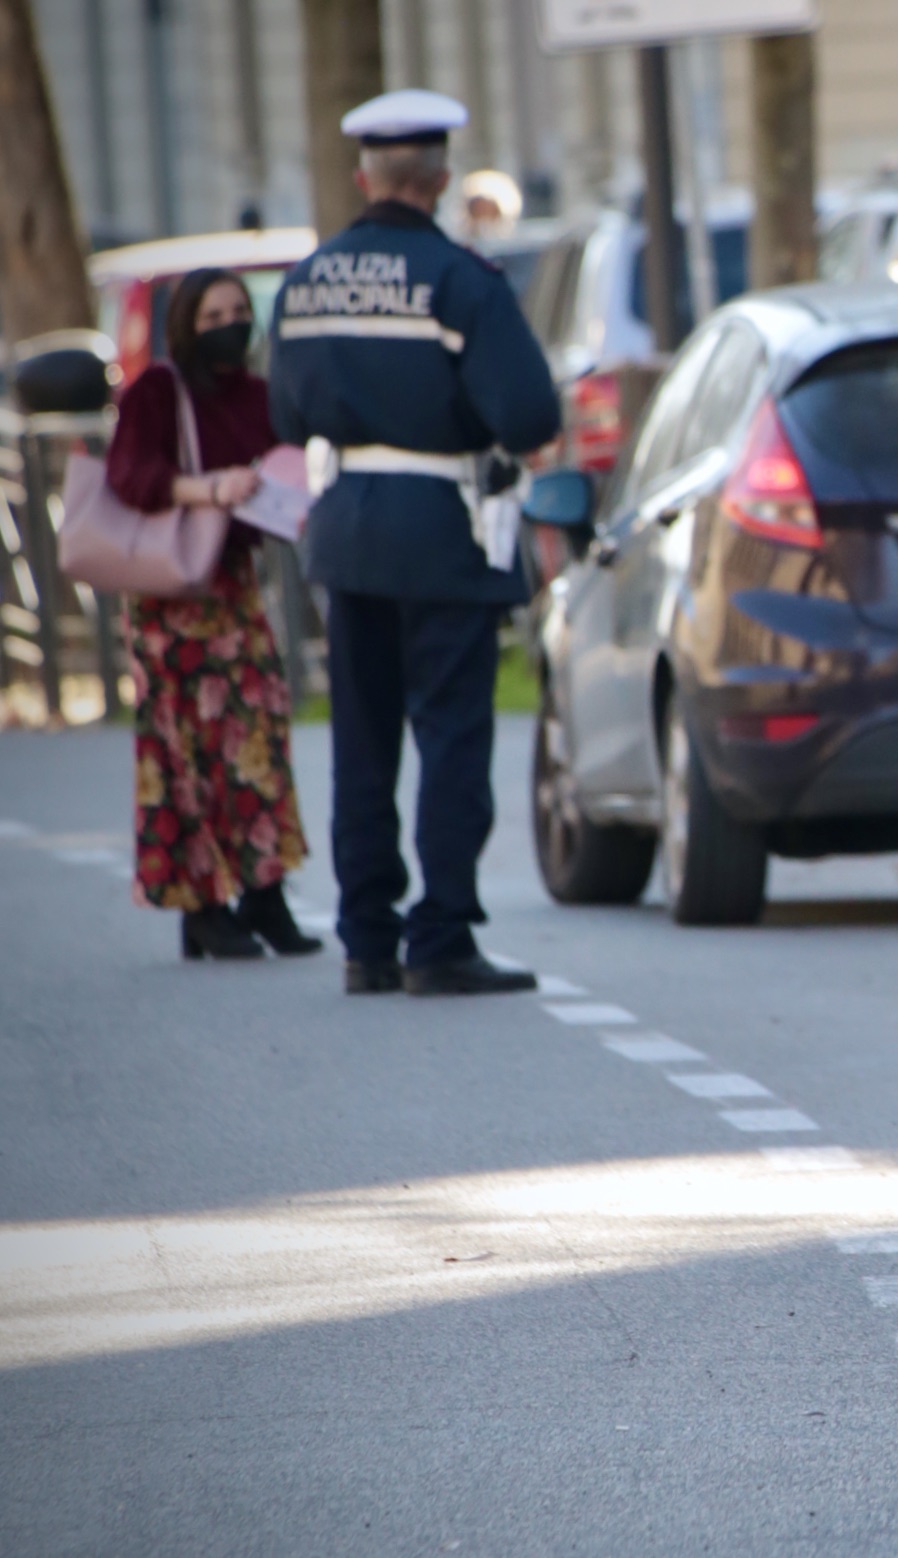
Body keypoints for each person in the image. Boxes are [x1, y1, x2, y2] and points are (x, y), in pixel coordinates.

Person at [267, 89, 561, 996]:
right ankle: (439, 936)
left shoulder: (307, 280)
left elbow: (283, 412)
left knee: (362, 741)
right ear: (436, 179)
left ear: (363, 177)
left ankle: (365, 939)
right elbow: (529, 415)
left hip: (346, 531)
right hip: (444, 533)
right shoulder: (461, 280)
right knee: (450, 740)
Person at [107, 267, 320, 962]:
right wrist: (210, 489)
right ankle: (202, 905)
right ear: (184, 328)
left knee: (258, 739)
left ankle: (265, 894)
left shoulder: (260, 396)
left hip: (233, 589)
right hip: (174, 603)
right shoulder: (158, 393)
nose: (229, 325)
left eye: (238, 311)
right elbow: (130, 477)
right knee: (188, 750)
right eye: (211, 316)